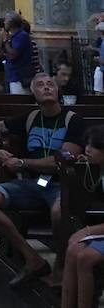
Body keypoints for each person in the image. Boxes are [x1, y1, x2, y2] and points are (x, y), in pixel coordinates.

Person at [0, 73, 85, 288]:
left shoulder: (73, 121)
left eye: (50, 84)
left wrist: (22, 163)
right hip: (33, 185)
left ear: (57, 90)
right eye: (40, 85)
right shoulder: (30, 118)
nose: (46, 88)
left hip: (61, 186)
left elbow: (60, 163)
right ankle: (33, 259)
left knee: (59, 212)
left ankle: (61, 268)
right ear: (33, 92)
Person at [61, 125, 104, 308]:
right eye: (87, 144)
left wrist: (87, 230)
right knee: (73, 250)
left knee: (86, 257)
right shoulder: (99, 170)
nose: (87, 149)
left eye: (94, 146)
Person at [0, 11, 32, 94]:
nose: (4, 22)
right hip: (12, 75)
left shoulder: (21, 36)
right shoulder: (13, 36)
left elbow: (13, 55)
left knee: (19, 100)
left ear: (11, 23)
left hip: (19, 77)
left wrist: (5, 40)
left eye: (5, 20)